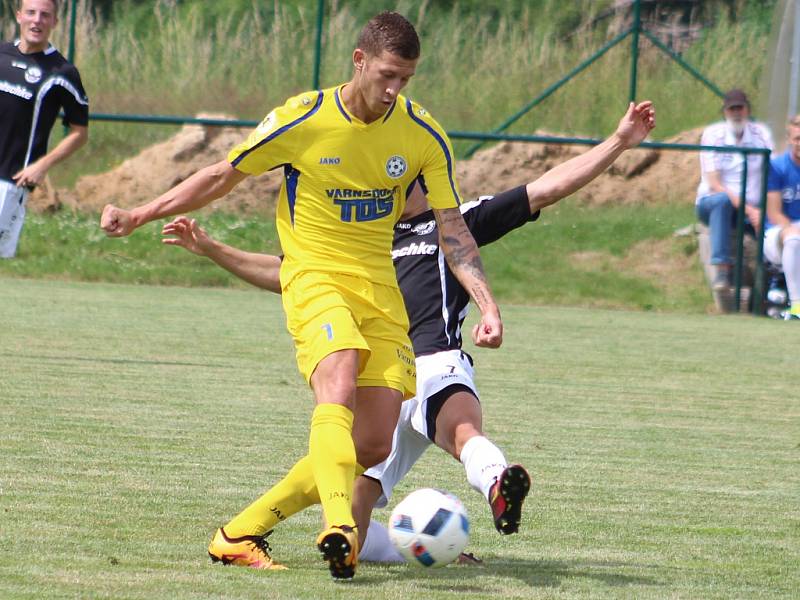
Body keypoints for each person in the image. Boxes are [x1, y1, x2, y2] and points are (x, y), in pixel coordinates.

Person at [161, 101, 656, 564]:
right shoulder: (359, 233)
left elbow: (545, 188)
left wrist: (618, 141)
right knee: (354, 524)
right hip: (381, 379)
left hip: (435, 362)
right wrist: (213, 250)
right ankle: (416, 547)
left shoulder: (455, 223)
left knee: (464, 433)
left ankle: (499, 487)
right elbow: (284, 274)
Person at [100, 11, 503, 580]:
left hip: (380, 290)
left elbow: (452, 228)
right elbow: (222, 174)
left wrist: (486, 304)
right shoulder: (304, 118)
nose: (394, 90)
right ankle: (339, 527)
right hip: (314, 275)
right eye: (386, 74)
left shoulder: (422, 134)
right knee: (336, 377)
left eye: (405, 79)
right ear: (359, 61)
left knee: (369, 446)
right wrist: (141, 211)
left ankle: (238, 533)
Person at [0, 0, 89, 258]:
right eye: (31, 13)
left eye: (44, 15)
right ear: (19, 16)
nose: (37, 20)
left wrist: (42, 165)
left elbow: (79, 133)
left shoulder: (62, 72)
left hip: (10, 181)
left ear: (54, 22)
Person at [695, 89, 773, 291]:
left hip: (752, 209)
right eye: (732, 109)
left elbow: (772, 172)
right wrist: (750, 210)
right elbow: (714, 183)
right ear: (725, 112)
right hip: (713, 205)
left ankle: (773, 282)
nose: (736, 113)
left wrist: (764, 209)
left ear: (748, 110)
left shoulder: (761, 134)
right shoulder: (713, 135)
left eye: (740, 108)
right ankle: (722, 271)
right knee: (722, 200)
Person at [765, 115, 800, 320]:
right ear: (789, 139)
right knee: (794, 238)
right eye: (797, 138)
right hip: (776, 235)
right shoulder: (777, 166)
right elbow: (774, 213)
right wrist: (791, 229)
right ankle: (796, 307)